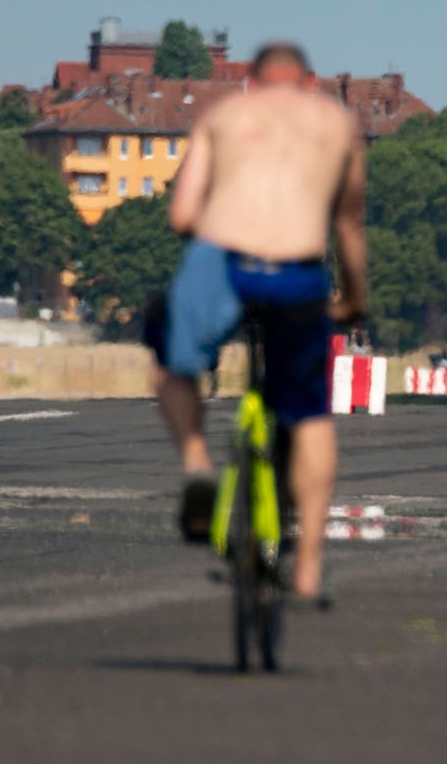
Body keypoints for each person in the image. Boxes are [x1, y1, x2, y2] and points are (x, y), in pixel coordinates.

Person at [153, 41, 368, 604]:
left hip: (221, 261)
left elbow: (181, 215)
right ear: (307, 81)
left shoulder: (224, 115)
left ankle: (198, 464)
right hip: (297, 272)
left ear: (252, 79)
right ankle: (309, 569)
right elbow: (349, 226)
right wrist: (353, 300)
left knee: (172, 365)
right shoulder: (335, 123)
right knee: (310, 415)